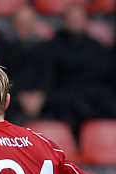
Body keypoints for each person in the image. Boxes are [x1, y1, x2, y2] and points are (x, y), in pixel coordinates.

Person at [44, 3, 116, 135]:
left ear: (86, 21)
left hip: (95, 99)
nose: (76, 23)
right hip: (66, 100)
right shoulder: (53, 47)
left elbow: (107, 75)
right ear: (65, 21)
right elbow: (49, 78)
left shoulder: (97, 48)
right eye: (72, 19)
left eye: (79, 19)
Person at [0, 4, 52, 126]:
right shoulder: (0, 47)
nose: (25, 26)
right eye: (21, 22)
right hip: (9, 100)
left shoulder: (45, 47)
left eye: (28, 22)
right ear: (14, 22)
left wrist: (40, 96)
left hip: (40, 102)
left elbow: (49, 75)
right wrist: (19, 96)